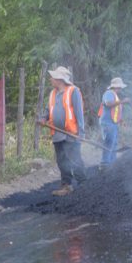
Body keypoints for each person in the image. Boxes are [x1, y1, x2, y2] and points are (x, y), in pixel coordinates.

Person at [46, 66, 86, 196]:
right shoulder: (53, 93)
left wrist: (81, 133)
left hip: (71, 134)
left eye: (53, 77)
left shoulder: (73, 91)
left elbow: (79, 113)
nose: (50, 79)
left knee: (74, 160)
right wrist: (42, 118)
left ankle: (83, 185)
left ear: (59, 79)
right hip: (57, 134)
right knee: (61, 160)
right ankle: (66, 185)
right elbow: (49, 111)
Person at [98, 77, 129, 167]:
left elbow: (116, 111)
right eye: (120, 87)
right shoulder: (108, 93)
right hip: (107, 123)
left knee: (114, 143)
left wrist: (121, 120)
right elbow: (108, 104)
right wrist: (123, 101)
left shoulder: (115, 96)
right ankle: (105, 163)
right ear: (116, 87)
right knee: (109, 142)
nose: (120, 89)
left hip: (113, 123)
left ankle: (113, 163)